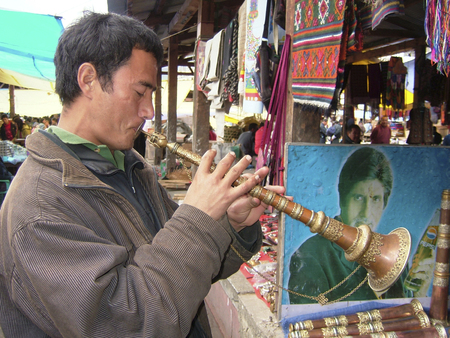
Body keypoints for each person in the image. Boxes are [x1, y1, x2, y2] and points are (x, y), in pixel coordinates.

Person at [0, 12, 285, 337]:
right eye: (139, 92)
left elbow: (187, 271)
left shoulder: (130, 167)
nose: (149, 111)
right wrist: (197, 219)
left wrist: (228, 223)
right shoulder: (37, 209)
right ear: (88, 79)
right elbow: (135, 324)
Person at [288, 147, 411, 304]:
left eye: (375, 200)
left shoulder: (395, 255)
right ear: (342, 199)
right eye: (358, 198)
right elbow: (308, 323)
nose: (366, 213)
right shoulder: (310, 256)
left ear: (384, 204)